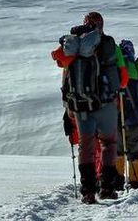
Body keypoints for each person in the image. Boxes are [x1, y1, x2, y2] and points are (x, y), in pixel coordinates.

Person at [51, 12, 127, 202]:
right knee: (108, 144)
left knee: (86, 146)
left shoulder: (73, 46)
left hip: (81, 105)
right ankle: (107, 189)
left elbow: (60, 63)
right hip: (106, 103)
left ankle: (88, 192)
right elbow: (123, 79)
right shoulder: (109, 44)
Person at [115, 39, 138, 190]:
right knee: (135, 151)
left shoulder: (117, 71)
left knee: (118, 150)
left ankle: (117, 181)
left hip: (117, 117)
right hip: (137, 118)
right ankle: (134, 182)